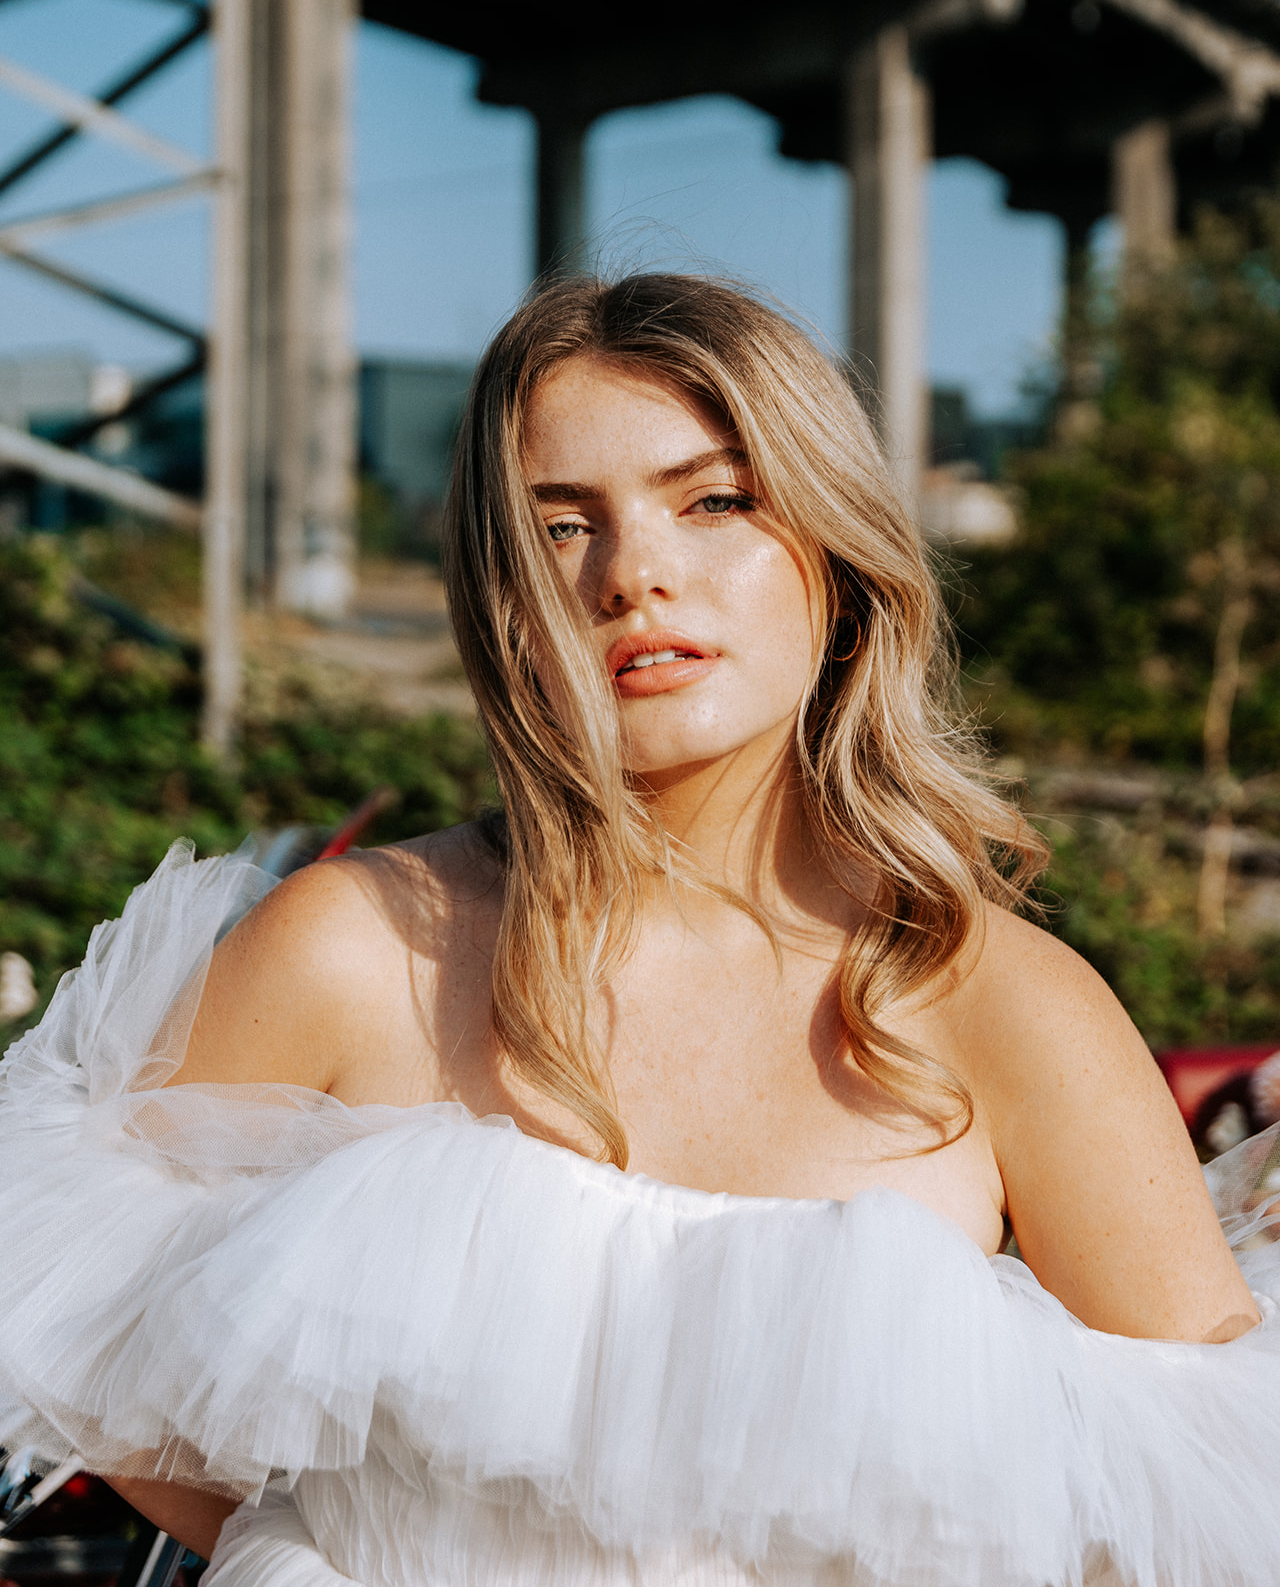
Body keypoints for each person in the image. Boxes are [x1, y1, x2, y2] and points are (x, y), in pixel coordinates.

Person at [1, 272, 1279, 1587]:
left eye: (715, 499)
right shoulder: (358, 950)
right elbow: (50, 1304)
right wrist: (307, 1553)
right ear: (500, 598)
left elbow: (1210, 1520)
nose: (635, 575)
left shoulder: (1001, 1003)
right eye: (562, 528)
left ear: (837, 562)